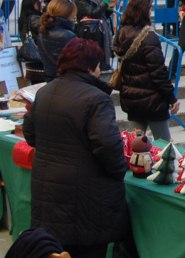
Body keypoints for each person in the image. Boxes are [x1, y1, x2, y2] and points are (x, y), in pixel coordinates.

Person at [23, 39, 129, 258]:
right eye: (99, 64)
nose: (100, 70)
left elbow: (30, 134)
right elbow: (108, 148)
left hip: (49, 193)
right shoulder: (96, 100)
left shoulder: (45, 92)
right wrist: (119, 172)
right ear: (89, 67)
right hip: (86, 201)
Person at [113, 0, 177, 141]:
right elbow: (158, 73)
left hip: (131, 98)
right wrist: (171, 98)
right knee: (164, 148)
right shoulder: (148, 37)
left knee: (135, 146)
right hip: (152, 100)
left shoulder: (121, 33)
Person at [74, 0, 116, 70]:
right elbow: (93, 14)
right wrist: (105, 0)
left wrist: (110, 5)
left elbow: (104, 14)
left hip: (103, 32)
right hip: (91, 34)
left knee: (104, 61)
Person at [38, 0, 77, 82]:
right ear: (70, 14)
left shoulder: (43, 32)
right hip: (67, 82)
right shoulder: (68, 36)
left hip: (50, 79)